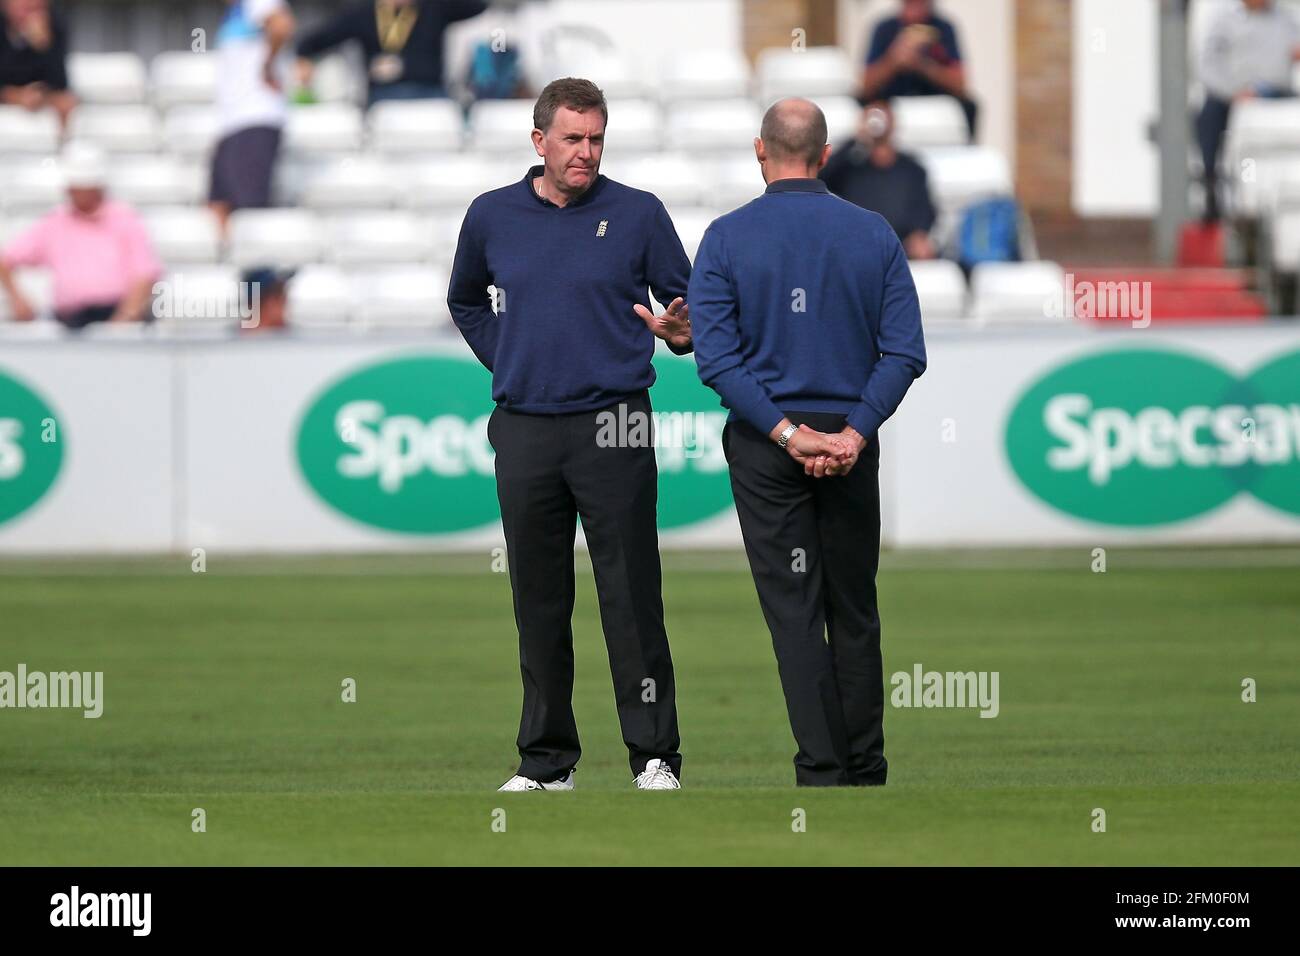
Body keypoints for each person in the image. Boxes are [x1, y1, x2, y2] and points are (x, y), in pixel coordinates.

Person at [447, 78, 692, 793]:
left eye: (596, 139)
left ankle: (654, 756)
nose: (585, 153)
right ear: (539, 142)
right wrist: (510, 354)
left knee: (630, 593)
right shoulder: (491, 215)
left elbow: (686, 311)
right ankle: (547, 762)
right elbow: (464, 298)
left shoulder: (639, 212)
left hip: (615, 419)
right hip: (524, 424)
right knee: (539, 599)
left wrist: (682, 334)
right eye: (573, 139)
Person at [688, 98, 927, 787]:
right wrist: (852, 432)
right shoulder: (873, 233)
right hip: (851, 442)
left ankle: (822, 768)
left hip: (768, 444)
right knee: (853, 607)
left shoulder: (727, 238)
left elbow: (718, 360)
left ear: (760, 152)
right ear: (823, 156)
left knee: (794, 611)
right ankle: (866, 766)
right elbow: (904, 352)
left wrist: (790, 434)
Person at [0, 142, 162, 330]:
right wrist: (18, 299)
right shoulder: (54, 223)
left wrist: (122, 322)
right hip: (71, 324)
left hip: (117, 318)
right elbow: (5, 259)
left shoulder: (125, 219)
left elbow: (144, 275)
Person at [1197, 0, 1300, 222]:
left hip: (1276, 93)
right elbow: (1207, 65)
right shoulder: (1224, 18)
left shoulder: (1286, 19)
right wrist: (1234, 92)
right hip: (1233, 94)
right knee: (1209, 118)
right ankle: (1212, 185)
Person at [209, 0, 296, 235]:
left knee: (250, 206)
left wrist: (267, 64)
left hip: (254, 117)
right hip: (232, 122)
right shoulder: (236, 11)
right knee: (219, 202)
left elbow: (281, 25)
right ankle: (236, 263)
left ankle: (261, 268)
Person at [296, 0, 487, 106]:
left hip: (430, 94)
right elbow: (315, 40)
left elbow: (479, 6)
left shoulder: (434, 7)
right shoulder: (364, 13)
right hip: (384, 96)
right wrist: (303, 59)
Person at [819, 99, 938, 259]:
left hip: (901, 247)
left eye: (883, 114)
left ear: (894, 122)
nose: (877, 120)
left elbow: (925, 211)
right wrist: (855, 139)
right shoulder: (851, 168)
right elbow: (821, 178)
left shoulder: (912, 170)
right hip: (855, 245)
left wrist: (919, 234)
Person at [861, 0, 976, 140]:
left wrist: (924, 65)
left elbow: (960, 84)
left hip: (936, 101)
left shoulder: (944, 29)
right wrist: (893, 60)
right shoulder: (884, 29)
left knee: (970, 106)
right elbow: (865, 86)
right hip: (891, 101)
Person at [0, 0, 75, 129]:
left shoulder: (54, 26)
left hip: (34, 115)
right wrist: (14, 96)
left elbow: (59, 85)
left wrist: (45, 47)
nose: (32, 6)